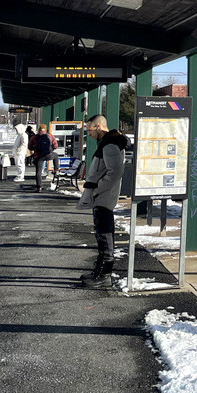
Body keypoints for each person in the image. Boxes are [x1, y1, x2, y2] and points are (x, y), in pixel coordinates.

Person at [80, 115, 128, 288]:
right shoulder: (107, 143)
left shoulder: (110, 145)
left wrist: (97, 188)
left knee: (105, 234)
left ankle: (104, 275)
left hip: (104, 196)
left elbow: (115, 172)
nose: (89, 134)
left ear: (98, 127)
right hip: (102, 195)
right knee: (101, 233)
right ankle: (100, 271)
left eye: (89, 130)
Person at [30, 124, 58, 192]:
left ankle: (39, 187)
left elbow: (30, 147)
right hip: (48, 155)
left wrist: (36, 149)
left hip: (39, 156)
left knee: (38, 172)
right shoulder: (50, 136)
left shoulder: (35, 137)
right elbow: (55, 145)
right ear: (46, 129)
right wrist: (50, 150)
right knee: (56, 155)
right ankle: (56, 170)